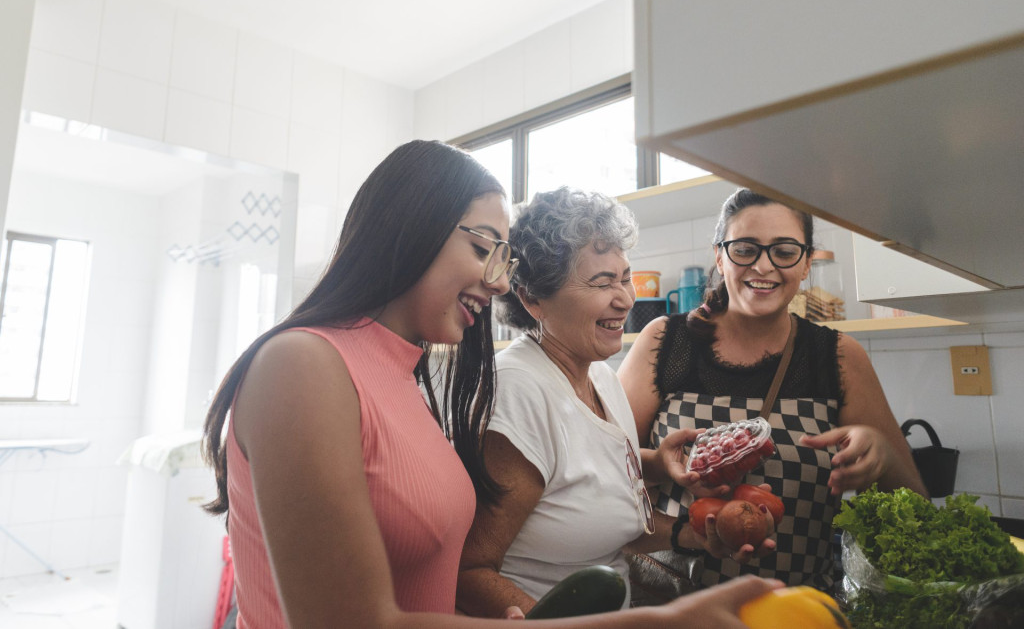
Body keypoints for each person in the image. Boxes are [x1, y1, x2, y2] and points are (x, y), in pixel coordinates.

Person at [201, 145, 779, 628]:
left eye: (501, 256)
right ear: (411, 230)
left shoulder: (407, 375)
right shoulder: (302, 365)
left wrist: (652, 468)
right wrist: (653, 623)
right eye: (482, 249)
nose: (498, 281)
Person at [456, 188, 773, 619]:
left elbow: (597, 511)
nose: (625, 298)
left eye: (625, 277)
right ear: (533, 299)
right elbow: (469, 571)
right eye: (602, 282)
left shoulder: (600, 377)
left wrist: (693, 529)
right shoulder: (520, 391)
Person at [618, 187, 927, 593]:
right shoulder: (664, 343)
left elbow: (915, 508)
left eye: (784, 251)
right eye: (745, 249)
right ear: (719, 256)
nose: (763, 267)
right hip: (671, 608)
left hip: (794, 610)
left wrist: (882, 455)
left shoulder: (837, 356)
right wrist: (677, 515)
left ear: (806, 264)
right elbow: (601, 475)